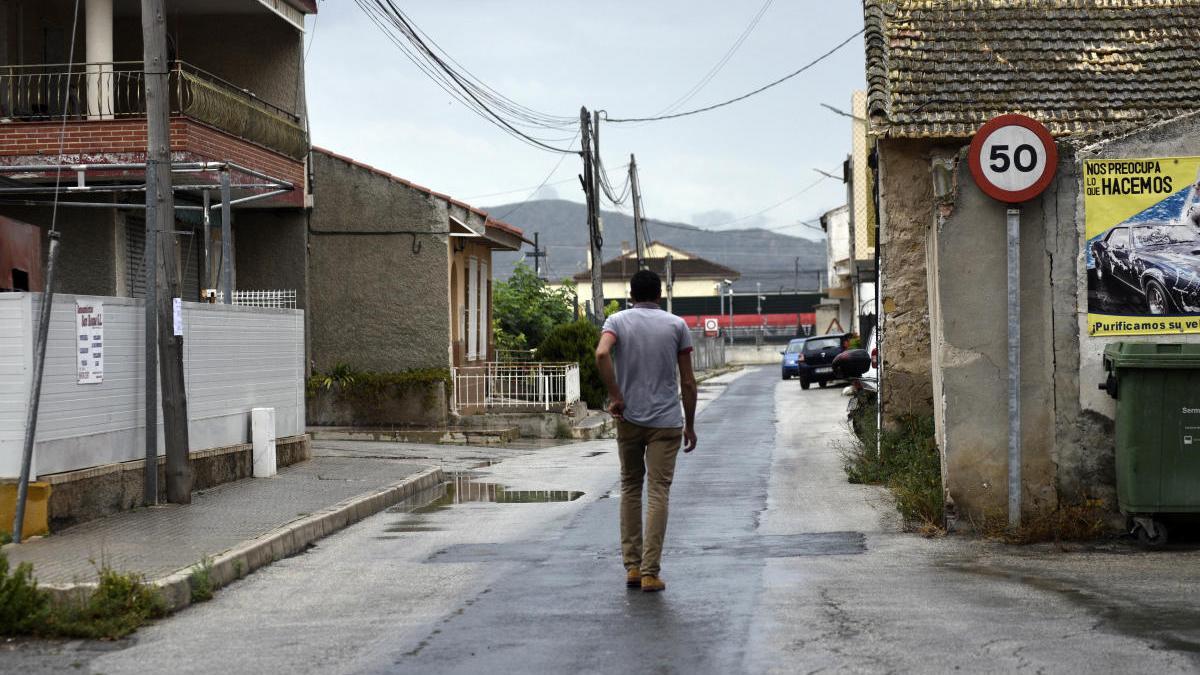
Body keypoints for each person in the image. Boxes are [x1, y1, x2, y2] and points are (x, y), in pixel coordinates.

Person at [594, 269, 698, 593]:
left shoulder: (617, 321)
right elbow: (688, 381)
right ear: (659, 295)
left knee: (629, 486)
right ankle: (651, 573)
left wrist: (616, 396)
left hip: (629, 418)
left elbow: (601, 353)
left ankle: (633, 568)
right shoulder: (676, 325)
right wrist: (690, 425)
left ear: (631, 294)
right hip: (666, 421)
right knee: (658, 492)